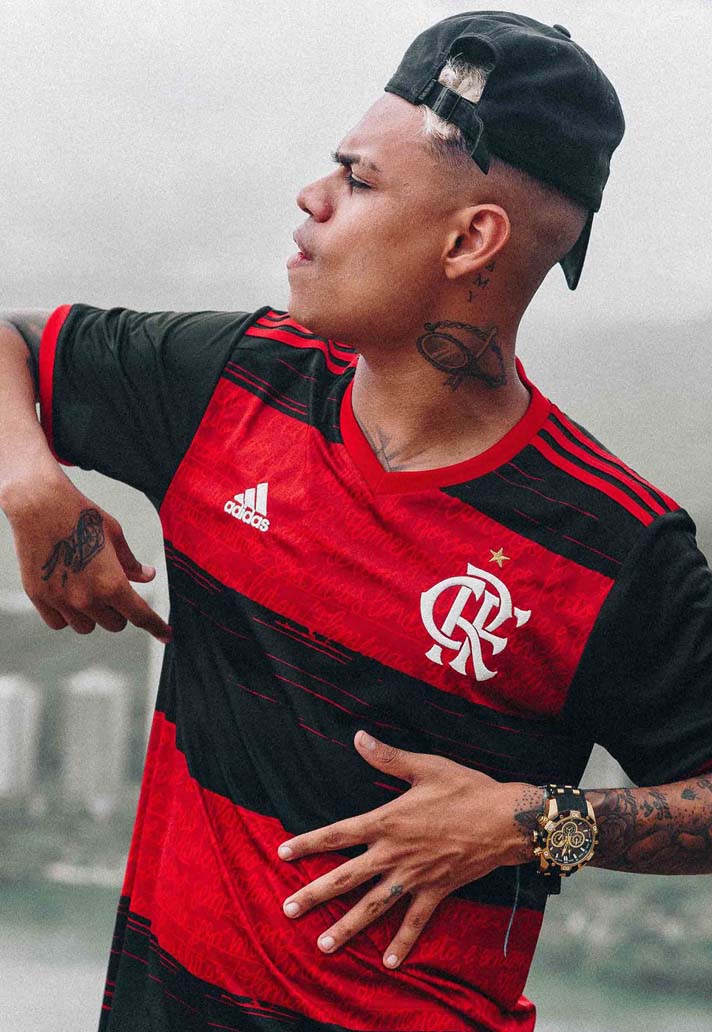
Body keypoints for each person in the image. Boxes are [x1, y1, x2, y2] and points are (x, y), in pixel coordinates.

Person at [1, 10, 710, 1031]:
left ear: (470, 240)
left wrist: (531, 823)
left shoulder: (610, 544)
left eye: (358, 180)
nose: (311, 196)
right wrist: (30, 481)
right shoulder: (232, 385)